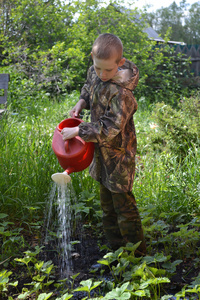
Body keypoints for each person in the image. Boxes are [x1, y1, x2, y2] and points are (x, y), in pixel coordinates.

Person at [62, 33, 146, 256]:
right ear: (93, 58)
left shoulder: (122, 93)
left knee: (124, 208)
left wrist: (79, 130)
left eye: (108, 70)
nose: (102, 74)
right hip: (100, 154)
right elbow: (90, 86)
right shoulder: (96, 71)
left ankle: (137, 257)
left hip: (119, 157)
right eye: (98, 68)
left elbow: (110, 127)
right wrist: (81, 102)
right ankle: (116, 253)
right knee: (106, 206)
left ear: (120, 63)